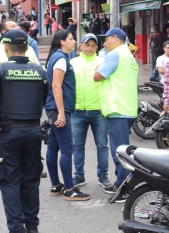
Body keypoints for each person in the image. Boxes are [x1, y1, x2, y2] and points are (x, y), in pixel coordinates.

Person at [0, 29, 49, 233]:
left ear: (5, 48)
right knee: (30, 179)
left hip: (8, 134)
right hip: (33, 132)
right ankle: (31, 226)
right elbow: (44, 99)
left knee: (9, 180)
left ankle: (16, 231)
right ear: (27, 47)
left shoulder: (0, 71)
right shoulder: (40, 72)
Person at [93, 28, 139, 199]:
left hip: (117, 107)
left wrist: (98, 67)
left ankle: (125, 187)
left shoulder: (115, 55)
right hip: (127, 107)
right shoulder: (128, 55)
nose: (104, 44)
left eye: (106, 40)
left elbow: (97, 76)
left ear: (115, 38)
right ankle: (122, 184)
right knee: (123, 149)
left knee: (119, 151)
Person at [44, 30, 90, 201]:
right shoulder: (61, 59)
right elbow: (56, 86)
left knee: (53, 148)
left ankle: (56, 186)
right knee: (67, 149)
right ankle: (69, 189)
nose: (74, 41)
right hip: (57, 110)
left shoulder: (55, 57)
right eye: (71, 39)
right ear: (62, 42)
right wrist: (61, 113)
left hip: (51, 109)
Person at [70, 33, 112, 189]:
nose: (90, 47)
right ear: (81, 46)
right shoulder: (72, 63)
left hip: (98, 109)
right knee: (77, 146)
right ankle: (79, 176)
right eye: (87, 44)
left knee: (102, 145)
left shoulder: (103, 62)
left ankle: (103, 175)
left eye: (93, 45)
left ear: (97, 47)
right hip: (77, 110)